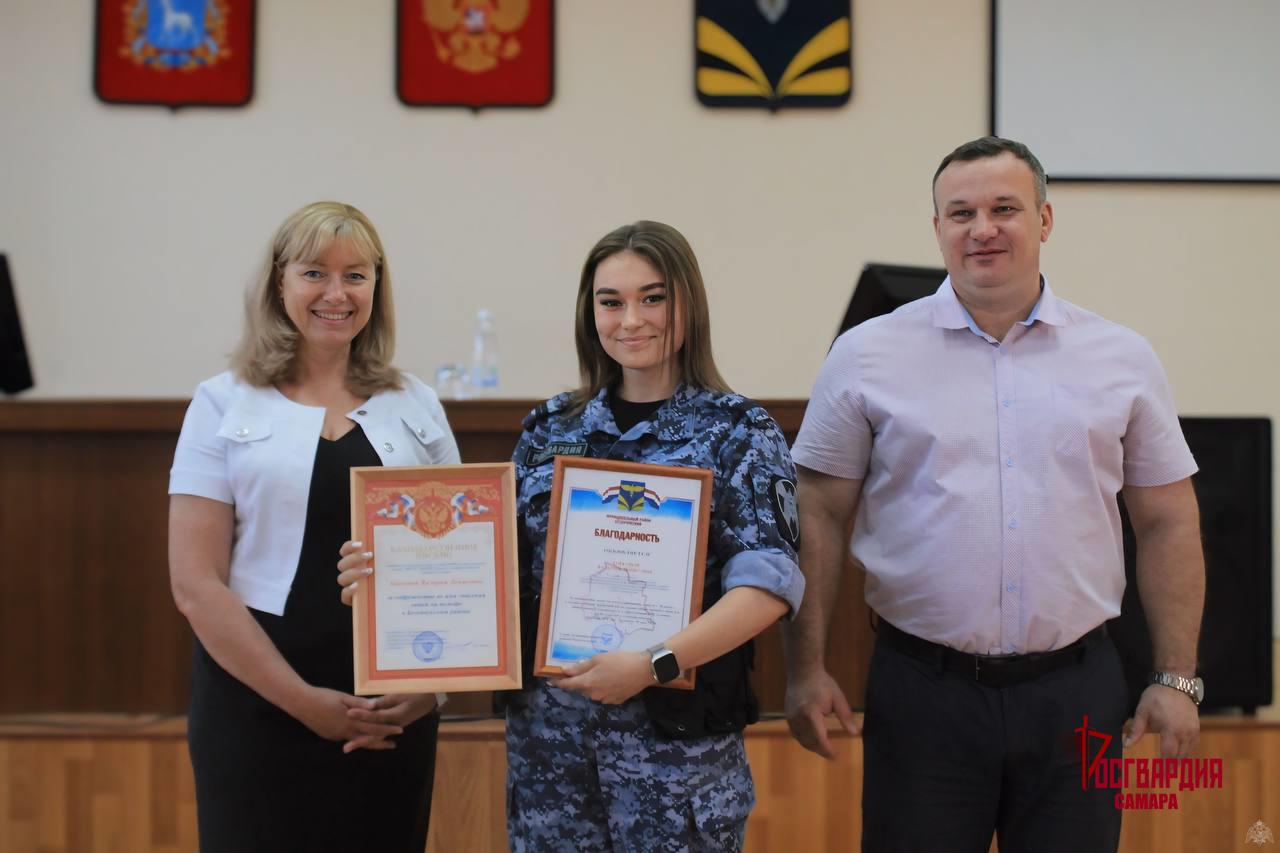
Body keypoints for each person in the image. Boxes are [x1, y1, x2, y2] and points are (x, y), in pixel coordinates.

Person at [783, 137, 1205, 852]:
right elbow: (818, 512)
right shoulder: (864, 354)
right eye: (961, 213)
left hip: (1077, 692)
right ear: (938, 228)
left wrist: (1176, 677)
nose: (982, 228)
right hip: (923, 694)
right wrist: (805, 667)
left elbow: (1168, 521)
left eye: (1004, 208)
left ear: (1044, 219)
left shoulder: (1122, 357)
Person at [338, 219, 805, 851]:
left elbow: (768, 586)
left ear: (688, 304)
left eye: (653, 298)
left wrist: (651, 663)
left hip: (676, 762)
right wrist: (391, 574)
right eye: (611, 302)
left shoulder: (739, 432)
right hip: (550, 760)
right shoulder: (552, 427)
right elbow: (490, 568)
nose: (631, 320)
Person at [169, 201, 460, 852]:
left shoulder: (415, 402)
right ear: (280, 283)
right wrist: (302, 700)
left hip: (394, 706)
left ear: (377, 287)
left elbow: (468, 561)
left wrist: (432, 690)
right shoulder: (221, 401)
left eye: (355, 275)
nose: (336, 293)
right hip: (256, 701)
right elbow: (195, 583)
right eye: (314, 273)